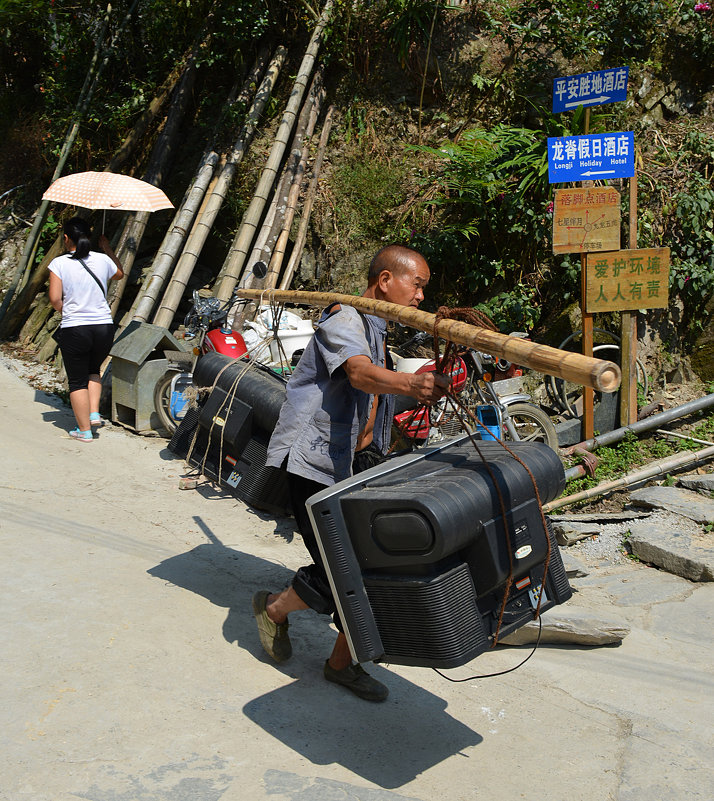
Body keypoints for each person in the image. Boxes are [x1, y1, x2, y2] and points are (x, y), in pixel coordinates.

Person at [253, 244, 448, 702]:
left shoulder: (379, 327)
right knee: (339, 566)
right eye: (416, 285)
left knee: (374, 563)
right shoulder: (345, 317)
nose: (420, 297)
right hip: (313, 461)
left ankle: (342, 665)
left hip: (352, 461)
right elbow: (360, 375)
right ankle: (274, 610)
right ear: (385, 282)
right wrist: (410, 384)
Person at [48, 216, 124, 442]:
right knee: (94, 370)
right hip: (103, 327)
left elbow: (54, 299)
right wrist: (107, 247)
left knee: (77, 381)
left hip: (76, 328)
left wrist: (67, 311)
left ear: (65, 238)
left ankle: (84, 431)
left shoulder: (59, 264)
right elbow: (119, 273)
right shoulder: (102, 259)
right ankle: (93, 413)